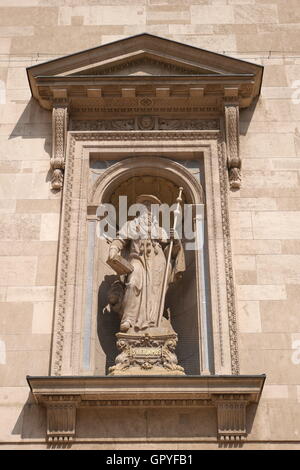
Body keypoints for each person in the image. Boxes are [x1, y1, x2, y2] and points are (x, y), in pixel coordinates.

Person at [107, 194, 185, 332]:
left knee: (155, 292)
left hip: (157, 265)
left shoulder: (160, 230)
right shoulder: (131, 225)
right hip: (137, 260)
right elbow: (119, 240)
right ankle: (129, 319)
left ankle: (153, 320)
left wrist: (176, 241)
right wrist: (113, 250)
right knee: (133, 282)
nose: (149, 211)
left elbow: (171, 252)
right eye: (146, 207)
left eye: (152, 208)